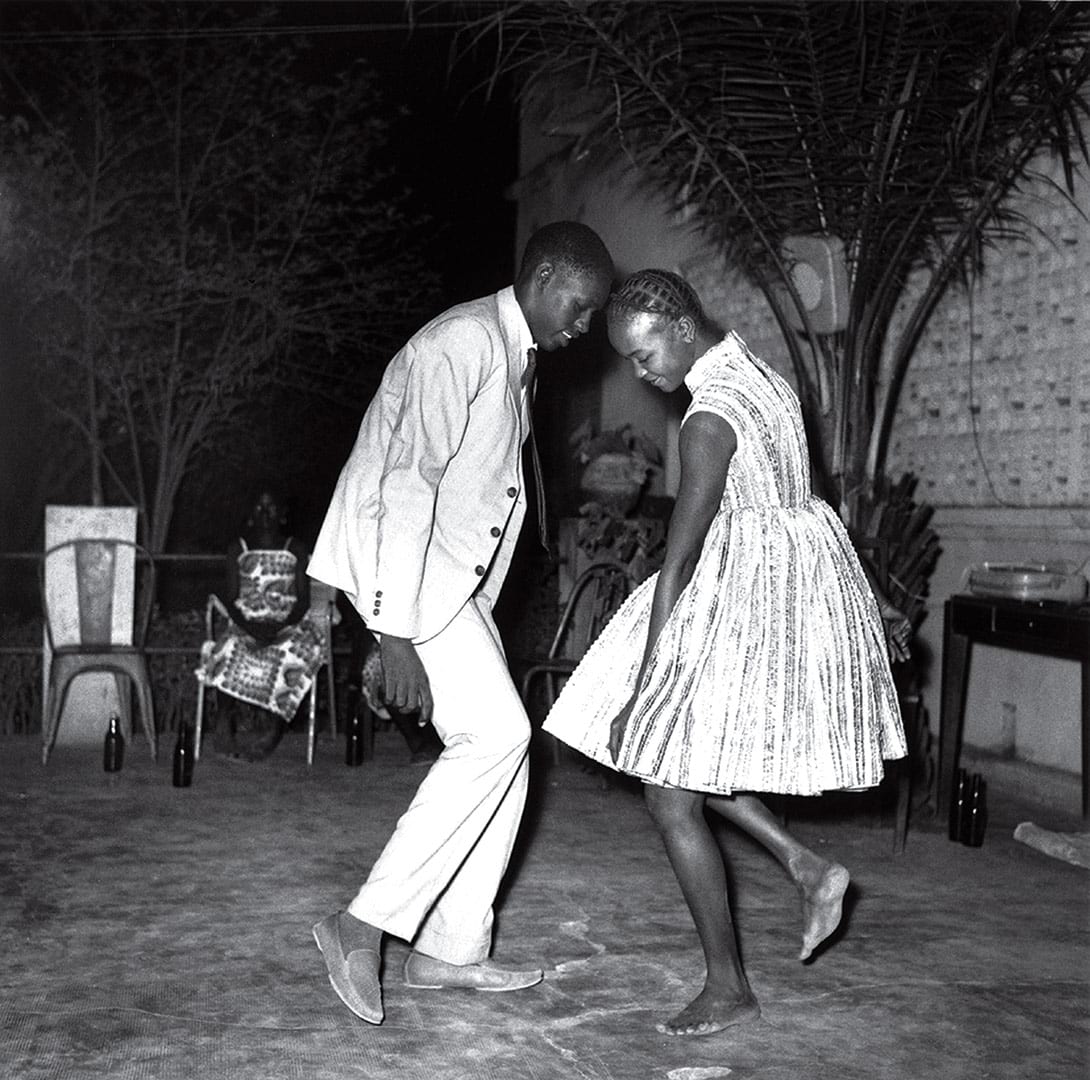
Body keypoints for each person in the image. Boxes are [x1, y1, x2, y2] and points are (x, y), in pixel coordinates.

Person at [543, 269, 910, 1038]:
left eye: (644, 357)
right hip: (788, 586)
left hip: (737, 601)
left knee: (667, 787)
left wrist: (644, 691)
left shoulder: (707, 418)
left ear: (680, 327)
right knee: (686, 770)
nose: (643, 374)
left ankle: (728, 985)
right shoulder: (763, 373)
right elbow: (804, 497)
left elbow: (676, 562)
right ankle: (805, 866)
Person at [307, 221, 614, 1025]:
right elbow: (408, 483)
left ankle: (449, 952)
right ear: (544, 277)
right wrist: (392, 632)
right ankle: (358, 925)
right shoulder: (464, 341)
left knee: (508, 749)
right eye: (579, 307)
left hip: (449, 587)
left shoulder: (511, 352)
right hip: (407, 582)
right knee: (501, 738)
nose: (583, 326)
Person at [196, 487, 327, 761]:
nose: (265, 514)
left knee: (293, 652)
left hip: (289, 623)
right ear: (251, 515)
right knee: (230, 645)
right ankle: (223, 724)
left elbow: (302, 600)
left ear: (282, 515)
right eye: (259, 508)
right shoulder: (239, 548)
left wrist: (281, 627)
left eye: (271, 508)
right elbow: (231, 598)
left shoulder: (295, 548)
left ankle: (272, 730)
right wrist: (249, 626)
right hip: (247, 621)